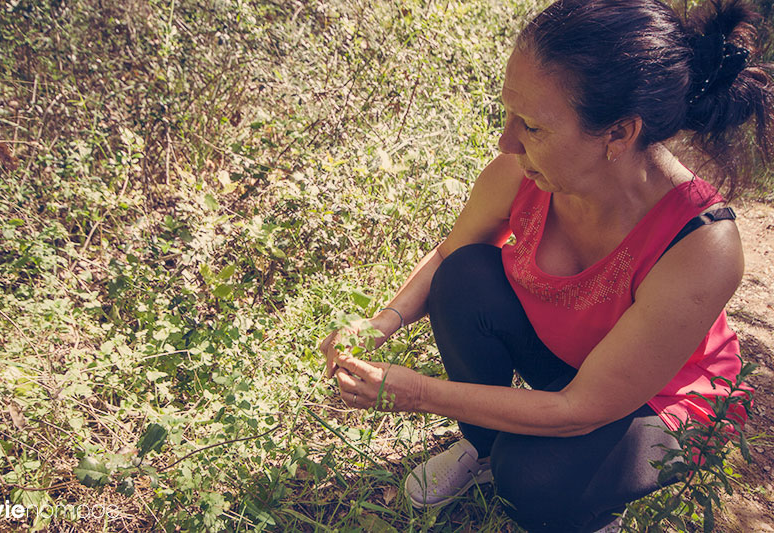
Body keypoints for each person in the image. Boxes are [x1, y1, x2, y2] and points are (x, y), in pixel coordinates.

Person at [320, 0, 773, 531]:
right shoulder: (524, 171)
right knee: (465, 274)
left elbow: (581, 408)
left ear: (619, 134)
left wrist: (415, 391)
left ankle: (584, 503)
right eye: (510, 114)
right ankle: (483, 449)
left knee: (533, 478)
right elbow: (449, 253)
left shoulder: (702, 243)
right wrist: (380, 323)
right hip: (578, 364)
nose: (505, 141)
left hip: (660, 402)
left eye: (532, 126)